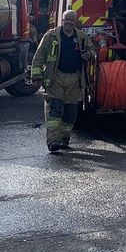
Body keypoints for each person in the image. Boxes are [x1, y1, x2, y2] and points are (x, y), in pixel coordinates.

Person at [31, 9, 92, 153]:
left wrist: (89, 54)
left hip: (75, 78)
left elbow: (91, 50)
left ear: (75, 21)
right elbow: (39, 56)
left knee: (70, 112)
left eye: (72, 20)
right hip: (55, 77)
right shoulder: (50, 36)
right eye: (67, 19)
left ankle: (64, 139)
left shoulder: (82, 36)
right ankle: (52, 142)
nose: (69, 22)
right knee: (55, 109)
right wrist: (36, 76)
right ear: (62, 20)